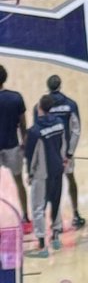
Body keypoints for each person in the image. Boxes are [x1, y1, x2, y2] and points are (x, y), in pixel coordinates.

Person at [24, 95, 66, 258]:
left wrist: (30, 172)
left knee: (38, 208)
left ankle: (42, 246)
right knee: (55, 202)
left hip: (42, 174)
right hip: (57, 169)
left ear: (39, 107)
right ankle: (56, 237)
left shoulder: (34, 131)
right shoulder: (59, 124)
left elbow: (31, 156)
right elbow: (63, 144)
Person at [42, 75, 84, 229]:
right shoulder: (71, 104)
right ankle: (76, 213)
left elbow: (39, 130)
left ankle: (56, 219)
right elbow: (76, 130)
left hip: (50, 153)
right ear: (60, 85)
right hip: (66, 152)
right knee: (70, 179)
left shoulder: (42, 105)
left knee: (53, 184)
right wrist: (70, 152)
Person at [0, 65, 29, 231]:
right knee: (19, 182)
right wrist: (24, 144)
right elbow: (23, 125)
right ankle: (26, 217)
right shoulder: (16, 98)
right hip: (12, 146)